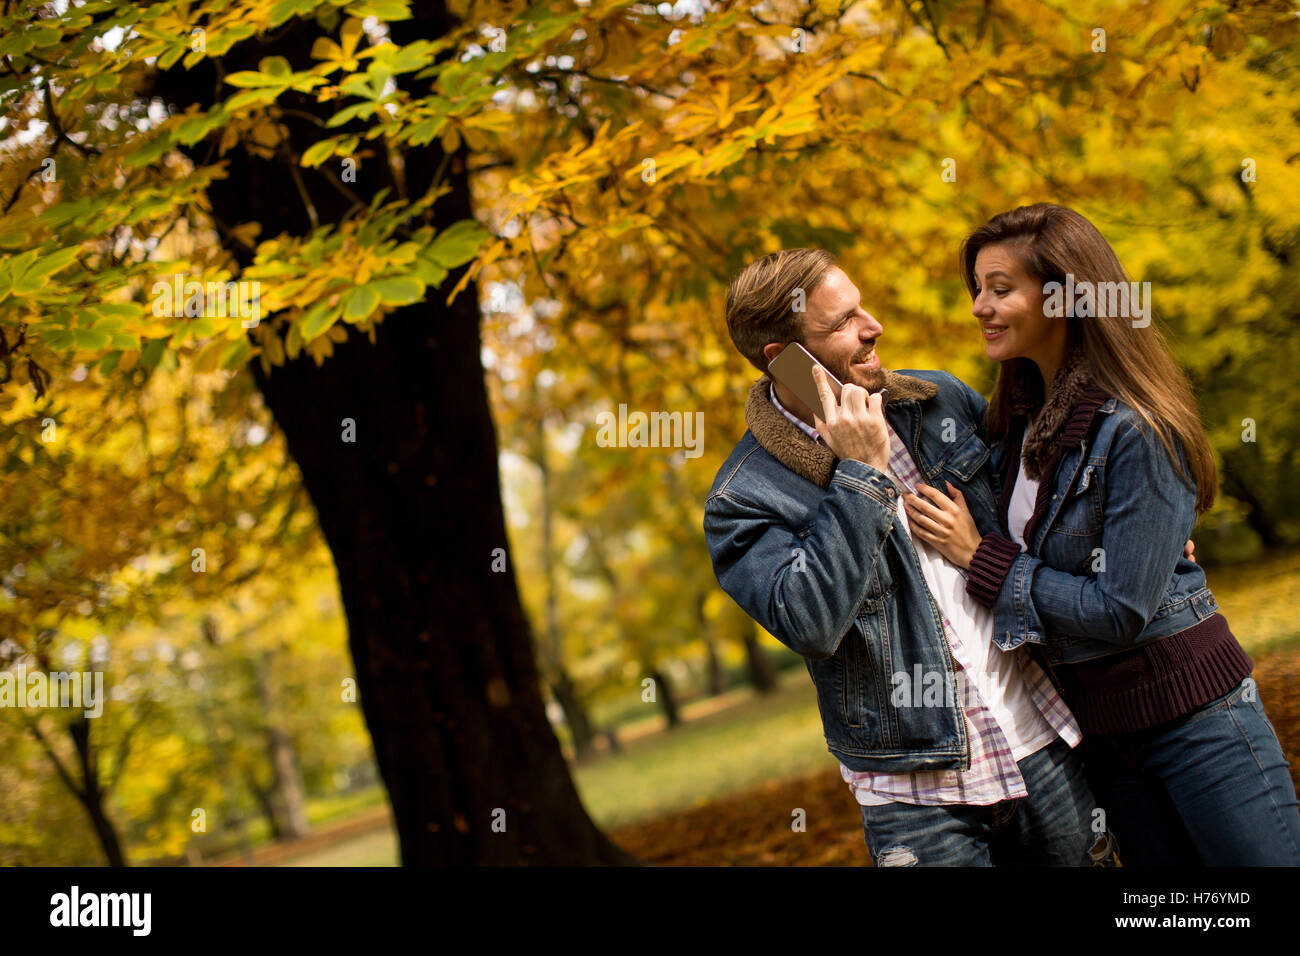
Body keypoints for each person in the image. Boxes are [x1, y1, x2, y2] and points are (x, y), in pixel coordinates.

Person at [905, 203, 1300, 865]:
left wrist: (982, 557)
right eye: (977, 288)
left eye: (1001, 289)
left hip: (1197, 724)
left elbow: (1119, 609)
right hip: (1104, 739)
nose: (979, 307)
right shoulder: (1015, 432)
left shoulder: (1137, 428)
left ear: (1063, 297)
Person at [703, 248, 1108, 866]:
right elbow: (809, 622)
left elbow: (1039, 505)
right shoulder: (744, 498)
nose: (873, 327)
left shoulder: (938, 402)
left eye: (862, 307)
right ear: (782, 360)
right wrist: (862, 475)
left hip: (1040, 740)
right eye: (842, 322)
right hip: (914, 800)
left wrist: (1124, 538)